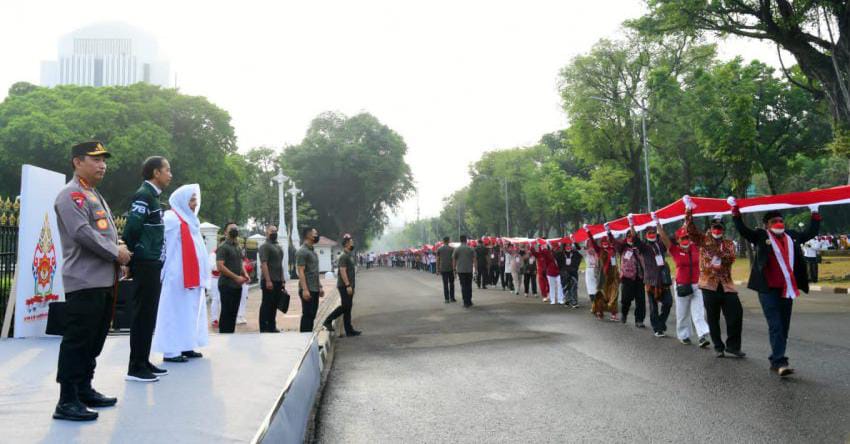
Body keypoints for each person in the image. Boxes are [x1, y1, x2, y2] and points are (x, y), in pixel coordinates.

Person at [53, 141, 131, 421]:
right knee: (78, 340)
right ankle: (67, 399)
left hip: (103, 280)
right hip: (84, 281)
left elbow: (105, 234)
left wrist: (117, 258)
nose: (102, 165)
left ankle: (84, 388)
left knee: (95, 338)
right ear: (77, 161)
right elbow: (82, 233)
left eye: (104, 160)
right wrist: (117, 253)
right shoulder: (70, 195)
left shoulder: (93, 194)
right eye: (95, 159)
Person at [730, 197, 820, 377]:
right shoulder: (761, 236)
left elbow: (811, 232)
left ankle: (775, 358)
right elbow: (742, 230)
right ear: (766, 225)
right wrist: (735, 211)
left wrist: (815, 212)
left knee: (784, 326)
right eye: (774, 221)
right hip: (768, 290)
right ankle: (780, 362)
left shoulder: (792, 236)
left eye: (781, 220)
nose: (779, 223)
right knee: (776, 325)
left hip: (787, 289)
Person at [122, 156, 172, 382]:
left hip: (152, 262)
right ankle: (135, 366)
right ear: (155, 173)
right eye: (167, 170)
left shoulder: (153, 196)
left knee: (149, 314)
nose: (170, 174)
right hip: (144, 262)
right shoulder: (144, 195)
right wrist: (131, 261)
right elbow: (132, 228)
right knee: (142, 314)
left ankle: (143, 360)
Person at [152, 184, 209, 363]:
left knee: (190, 310)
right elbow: (162, 246)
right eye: (191, 200)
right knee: (173, 311)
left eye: (195, 200)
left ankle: (186, 345)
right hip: (176, 275)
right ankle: (171, 351)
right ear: (182, 200)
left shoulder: (192, 221)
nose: (194, 204)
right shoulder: (171, 218)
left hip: (192, 276)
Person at [683, 197, 744, 359]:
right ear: (711, 228)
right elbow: (689, 230)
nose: (717, 230)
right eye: (715, 227)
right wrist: (689, 210)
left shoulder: (729, 243)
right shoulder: (703, 239)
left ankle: (733, 346)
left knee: (736, 314)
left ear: (723, 229)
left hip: (726, 284)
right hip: (708, 284)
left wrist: (716, 251)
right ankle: (718, 346)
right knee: (713, 317)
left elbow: (730, 257)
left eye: (720, 227)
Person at [658, 221, 710, 348]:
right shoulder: (674, 250)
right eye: (683, 238)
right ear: (678, 240)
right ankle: (684, 335)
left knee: (698, 312)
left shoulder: (695, 247)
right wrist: (658, 225)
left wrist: (688, 218)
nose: (685, 240)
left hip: (696, 285)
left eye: (687, 237)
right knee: (682, 314)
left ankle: (702, 336)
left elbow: (699, 235)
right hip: (682, 287)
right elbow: (664, 239)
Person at [630, 220, 672, 337]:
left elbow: (666, 239)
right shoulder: (643, 247)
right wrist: (631, 224)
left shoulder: (660, 245)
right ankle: (657, 329)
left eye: (653, 232)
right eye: (649, 232)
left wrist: (658, 224)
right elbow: (634, 238)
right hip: (651, 281)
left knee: (668, 303)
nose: (652, 234)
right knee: (653, 307)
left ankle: (661, 322)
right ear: (646, 234)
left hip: (663, 280)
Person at [323, 234, 361, 336]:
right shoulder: (344, 256)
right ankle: (328, 320)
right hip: (344, 286)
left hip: (349, 285)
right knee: (345, 306)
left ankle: (349, 330)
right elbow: (342, 271)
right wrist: (348, 285)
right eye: (351, 242)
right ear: (347, 244)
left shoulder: (349, 255)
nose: (353, 244)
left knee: (348, 307)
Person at [216, 223, 249, 333]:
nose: (234, 230)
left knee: (234, 312)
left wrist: (245, 274)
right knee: (226, 312)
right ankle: (224, 334)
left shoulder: (237, 246)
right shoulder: (223, 247)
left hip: (237, 285)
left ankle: (230, 334)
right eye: (231, 229)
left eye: (236, 228)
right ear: (225, 232)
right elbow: (220, 266)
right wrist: (236, 277)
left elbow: (240, 262)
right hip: (226, 284)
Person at [586, 225, 619, 321]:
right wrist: (588, 231)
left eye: (606, 241)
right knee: (601, 295)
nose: (605, 243)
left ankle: (614, 314)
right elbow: (592, 241)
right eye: (603, 242)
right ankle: (600, 311)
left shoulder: (613, 249)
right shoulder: (599, 250)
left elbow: (614, 242)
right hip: (602, 277)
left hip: (613, 277)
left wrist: (609, 231)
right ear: (601, 243)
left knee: (614, 295)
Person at [258, 224, 287, 333]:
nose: (274, 233)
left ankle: (272, 326)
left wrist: (283, 279)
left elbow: (280, 264)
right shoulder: (265, 246)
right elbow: (264, 264)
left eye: (275, 231)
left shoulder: (278, 246)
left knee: (274, 304)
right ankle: (264, 327)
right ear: (266, 232)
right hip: (269, 280)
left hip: (278, 280)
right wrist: (268, 280)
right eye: (271, 231)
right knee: (266, 304)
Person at [612, 226, 641, 325]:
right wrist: (609, 233)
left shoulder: (639, 246)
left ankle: (639, 320)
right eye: (628, 236)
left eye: (632, 236)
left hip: (639, 276)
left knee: (640, 300)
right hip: (627, 277)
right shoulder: (623, 247)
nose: (630, 238)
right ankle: (624, 314)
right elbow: (615, 244)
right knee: (626, 299)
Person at [296, 227, 323, 331]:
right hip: (307, 289)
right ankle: (303, 341)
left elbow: (315, 271)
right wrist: (305, 289)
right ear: (308, 235)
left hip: (315, 288)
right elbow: (301, 271)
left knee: (312, 315)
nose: (316, 235)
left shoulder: (313, 252)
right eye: (315, 233)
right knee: (307, 315)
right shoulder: (302, 252)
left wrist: (320, 286)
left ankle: (309, 339)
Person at [453, 235, 476, 307]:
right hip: (469, 270)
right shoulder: (471, 248)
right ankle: (469, 301)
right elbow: (475, 259)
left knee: (463, 286)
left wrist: (454, 269)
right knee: (469, 285)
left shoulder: (457, 249)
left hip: (461, 270)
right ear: (466, 240)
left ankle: (465, 301)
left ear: (460, 240)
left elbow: (454, 259)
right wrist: (476, 268)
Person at [560, 238, 582, 309]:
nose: (568, 247)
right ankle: (567, 300)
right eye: (567, 245)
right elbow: (558, 262)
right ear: (564, 246)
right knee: (565, 287)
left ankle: (574, 302)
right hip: (564, 274)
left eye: (570, 245)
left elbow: (579, 250)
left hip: (573, 273)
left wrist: (574, 241)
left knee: (574, 287)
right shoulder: (560, 254)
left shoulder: (575, 253)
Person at [436, 237, 456, 303]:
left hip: (443, 268)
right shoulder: (452, 249)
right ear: (449, 241)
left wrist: (437, 269)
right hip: (450, 268)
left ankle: (446, 299)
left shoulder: (439, 249)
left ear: (443, 241)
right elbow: (454, 259)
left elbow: (437, 260)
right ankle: (452, 298)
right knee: (452, 283)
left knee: (445, 284)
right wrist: (454, 269)